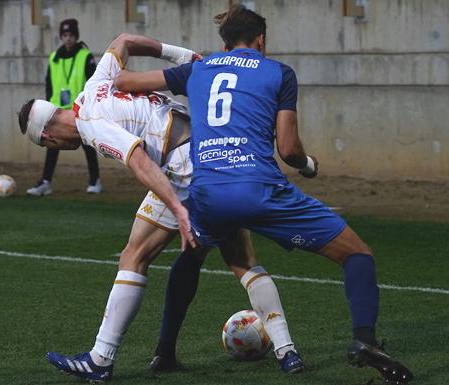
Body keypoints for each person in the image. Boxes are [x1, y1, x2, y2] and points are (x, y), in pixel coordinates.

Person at [114, 5, 413, 384]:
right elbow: (287, 150)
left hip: (208, 193)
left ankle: (165, 351)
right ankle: (365, 340)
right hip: (259, 189)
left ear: (224, 42)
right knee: (357, 254)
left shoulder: (197, 70)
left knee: (190, 258)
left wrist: (125, 50)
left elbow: (125, 83)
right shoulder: (279, 73)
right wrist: (307, 164)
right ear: (261, 40)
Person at [17, 33, 304, 382]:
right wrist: (182, 55)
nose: (59, 148)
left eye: (52, 146)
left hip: (184, 166)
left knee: (157, 255)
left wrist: (179, 210)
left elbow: (139, 161)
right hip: (204, 147)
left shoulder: (90, 125)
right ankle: (286, 351)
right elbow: (123, 40)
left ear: (47, 138)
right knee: (219, 256)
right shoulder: (95, 83)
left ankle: (101, 359)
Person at [26, 18, 102, 196]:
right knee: (52, 145)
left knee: (87, 144)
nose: (68, 39)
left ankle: (94, 180)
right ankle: (45, 182)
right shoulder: (54, 58)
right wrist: (48, 107)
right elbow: (49, 84)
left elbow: (94, 82)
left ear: (76, 36)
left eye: (71, 35)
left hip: (79, 110)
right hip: (57, 112)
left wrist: (90, 107)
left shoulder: (85, 56)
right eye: (65, 35)